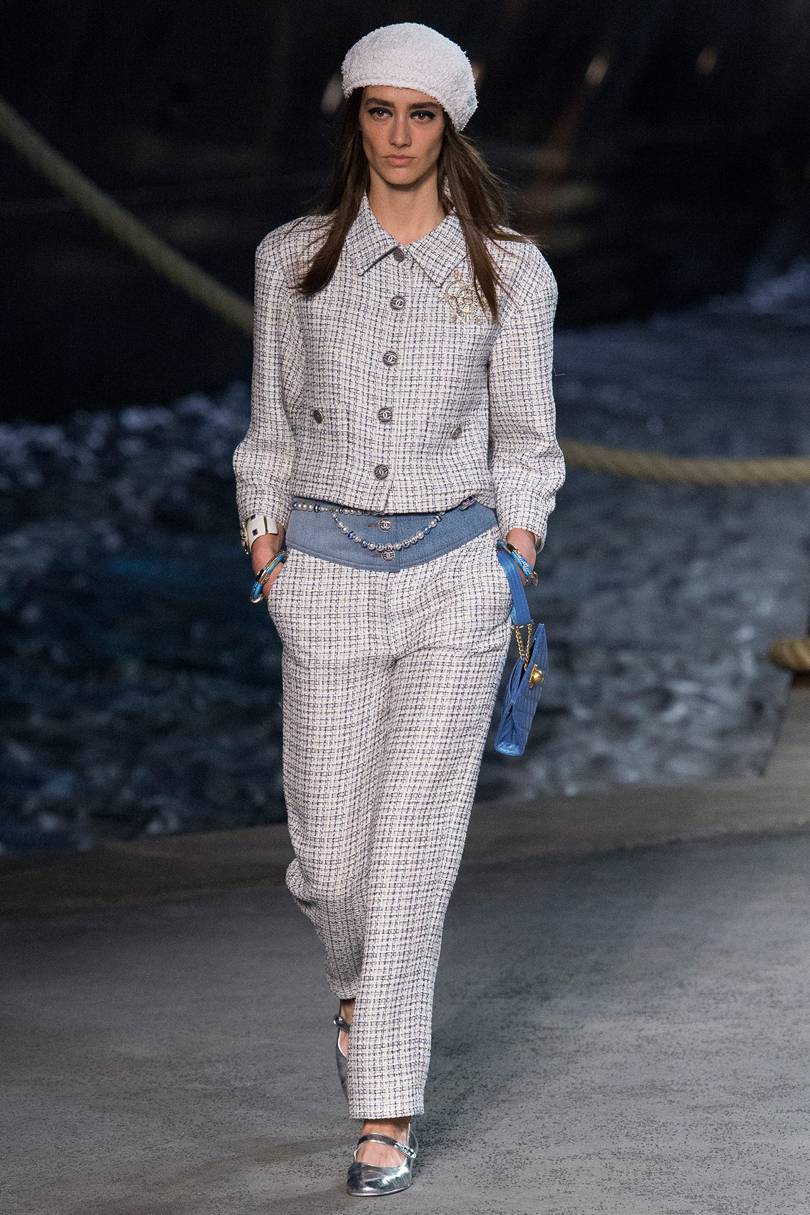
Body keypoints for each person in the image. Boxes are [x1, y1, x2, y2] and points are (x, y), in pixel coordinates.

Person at [232, 21, 565, 1197]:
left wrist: (514, 551)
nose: (399, 135)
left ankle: (385, 1109)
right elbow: (269, 428)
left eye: (421, 114)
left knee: (412, 857)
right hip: (322, 575)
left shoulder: (511, 269)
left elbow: (527, 439)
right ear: (355, 119)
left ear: (451, 126)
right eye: (380, 110)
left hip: (455, 581)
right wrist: (267, 547)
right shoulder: (291, 259)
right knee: (331, 863)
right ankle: (354, 993)